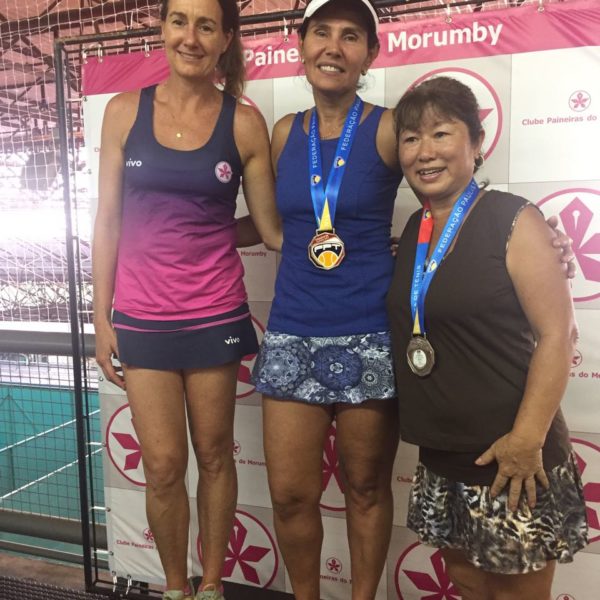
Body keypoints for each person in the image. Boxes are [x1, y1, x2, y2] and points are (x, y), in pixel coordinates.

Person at [92, 1, 280, 599]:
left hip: (214, 313)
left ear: (225, 38)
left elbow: (270, 228)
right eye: (179, 21)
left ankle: (212, 586)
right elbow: (108, 221)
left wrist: (354, 237)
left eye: (205, 25)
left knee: (216, 457)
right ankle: (176, 587)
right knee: (164, 466)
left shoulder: (243, 123)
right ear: (163, 28)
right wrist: (100, 317)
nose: (190, 37)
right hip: (142, 317)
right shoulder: (123, 112)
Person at [387, 76, 588, 600]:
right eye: (411, 138)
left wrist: (526, 440)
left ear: (476, 144)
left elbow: (558, 334)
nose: (425, 152)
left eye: (441, 134)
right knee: (469, 585)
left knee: (516, 595)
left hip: (512, 455)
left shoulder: (514, 220)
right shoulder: (412, 236)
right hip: (443, 455)